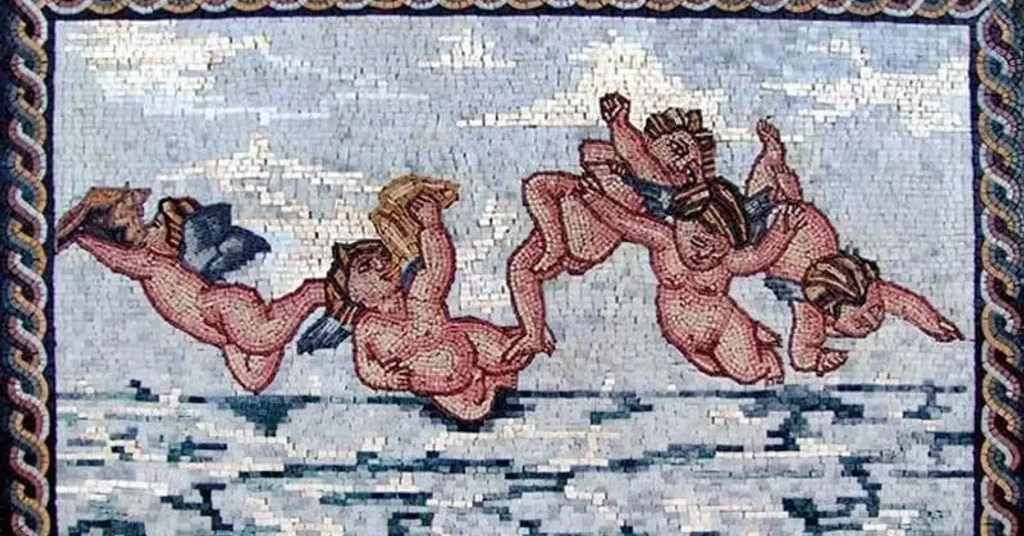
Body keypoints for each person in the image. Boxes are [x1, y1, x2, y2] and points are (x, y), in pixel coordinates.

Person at [298, 177, 539, 422]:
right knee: (443, 337)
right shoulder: (369, 327)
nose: (379, 264)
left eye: (381, 257)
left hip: (477, 365)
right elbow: (366, 366)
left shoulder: (417, 295)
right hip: (456, 391)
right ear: (354, 294)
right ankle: (487, 381)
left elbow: (438, 268)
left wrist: (431, 225)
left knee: (473, 333)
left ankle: (521, 344)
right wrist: (386, 379)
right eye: (364, 268)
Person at [740, 120, 965, 375]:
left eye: (875, 310)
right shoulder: (811, 312)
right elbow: (801, 353)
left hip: (804, 226)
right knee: (756, 198)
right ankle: (772, 156)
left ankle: (779, 171)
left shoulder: (867, 290)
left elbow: (905, 304)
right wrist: (818, 361)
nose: (873, 321)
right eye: (860, 320)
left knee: (786, 193)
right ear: (829, 315)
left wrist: (933, 324)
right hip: (764, 228)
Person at [57, 186, 326, 394]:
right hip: (221, 333)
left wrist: (80, 235)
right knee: (253, 380)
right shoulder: (151, 255)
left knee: (260, 339)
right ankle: (284, 311)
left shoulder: (150, 261)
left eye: (156, 225)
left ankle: (315, 292)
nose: (148, 226)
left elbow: (116, 259)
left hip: (220, 305)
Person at [504, 92, 710, 362]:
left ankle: (554, 246)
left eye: (689, 168)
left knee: (538, 185)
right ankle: (533, 332)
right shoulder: (631, 160)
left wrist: (619, 128)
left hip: (590, 225)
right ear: (651, 139)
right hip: (566, 211)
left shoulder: (659, 186)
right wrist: (616, 151)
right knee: (520, 266)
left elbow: (635, 157)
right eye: (678, 149)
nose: (681, 164)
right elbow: (589, 151)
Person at [580, 161, 806, 384]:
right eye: (697, 243)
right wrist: (594, 199)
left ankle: (768, 360)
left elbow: (758, 257)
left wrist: (784, 229)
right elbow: (625, 222)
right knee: (712, 369)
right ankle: (753, 331)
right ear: (679, 224)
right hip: (684, 339)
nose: (704, 254)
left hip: (723, 329)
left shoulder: (726, 261)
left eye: (716, 250)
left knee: (748, 373)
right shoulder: (663, 241)